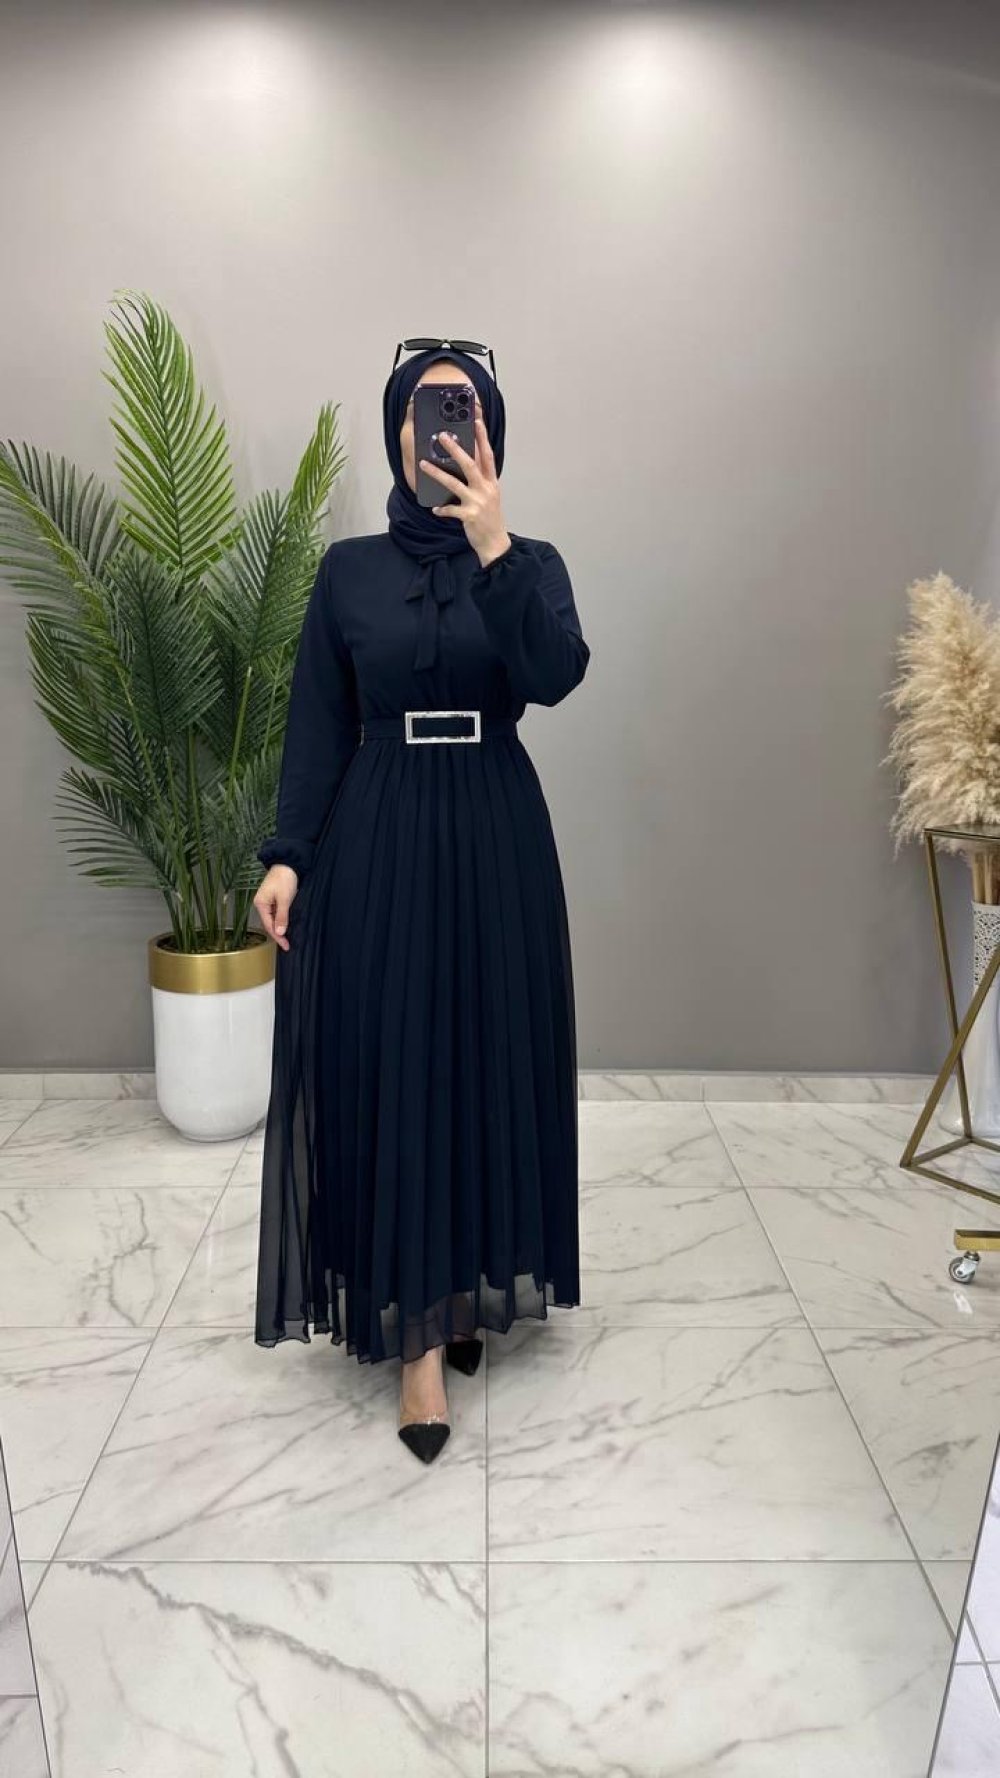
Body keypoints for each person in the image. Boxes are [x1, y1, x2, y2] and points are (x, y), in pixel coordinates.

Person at [252, 340, 591, 1464]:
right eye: (424, 409)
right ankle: (418, 1349)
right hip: (383, 826)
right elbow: (316, 719)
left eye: (464, 408)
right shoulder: (348, 570)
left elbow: (553, 675)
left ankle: (469, 1283)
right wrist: (288, 854)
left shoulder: (530, 559)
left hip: (495, 827)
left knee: (486, 1056)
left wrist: (493, 545)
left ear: (490, 429)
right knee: (397, 1062)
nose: (442, 427)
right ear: (397, 428)